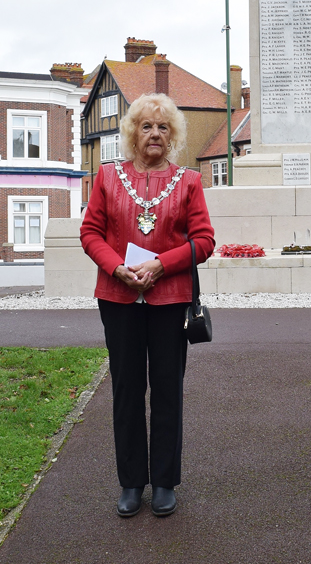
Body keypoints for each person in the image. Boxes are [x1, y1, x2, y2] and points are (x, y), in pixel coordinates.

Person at [81, 93, 215, 517]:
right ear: (132, 133)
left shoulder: (189, 181)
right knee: (125, 390)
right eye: (145, 126)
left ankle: (164, 482)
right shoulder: (106, 176)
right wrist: (117, 267)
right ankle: (131, 482)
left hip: (169, 300)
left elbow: (204, 241)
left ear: (171, 135)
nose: (154, 133)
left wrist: (161, 264)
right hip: (118, 297)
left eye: (162, 127)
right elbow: (90, 233)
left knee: (167, 390)